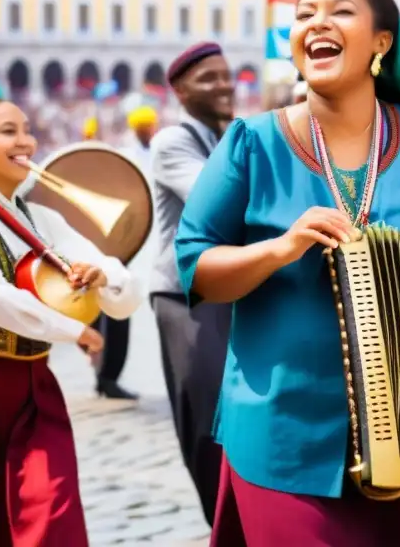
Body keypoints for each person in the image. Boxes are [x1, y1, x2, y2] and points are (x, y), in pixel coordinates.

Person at [175, 0, 400, 546]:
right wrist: (278, 248)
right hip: (284, 432)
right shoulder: (250, 144)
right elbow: (196, 267)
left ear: (382, 42)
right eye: (304, 12)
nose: (316, 22)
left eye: (339, 11)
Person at [0, 96, 142, 545]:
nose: (26, 141)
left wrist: (102, 278)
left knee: (52, 510)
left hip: (34, 386)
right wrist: (71, 329)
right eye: (8, 132)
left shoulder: (43, 218)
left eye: (27, 129)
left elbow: (120, 280)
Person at [148, 41, 236, 525]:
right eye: (208, 78)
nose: (223, 85)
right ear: (180, 91)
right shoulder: (172, 141)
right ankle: (220, 524)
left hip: (225, 291)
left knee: (230, 414)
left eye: (226, 75)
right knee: (205, 419)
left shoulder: (227, 138)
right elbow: (217, 198)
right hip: (184, 297)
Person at [91, 104, 161, 401]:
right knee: (110, 310)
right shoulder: (125, 155)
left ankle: (108, 375)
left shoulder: (155, 151)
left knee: (122, 306)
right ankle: (106, 375)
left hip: (142, 239)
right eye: (143, 126)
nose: (148, 131)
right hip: (117, 241)